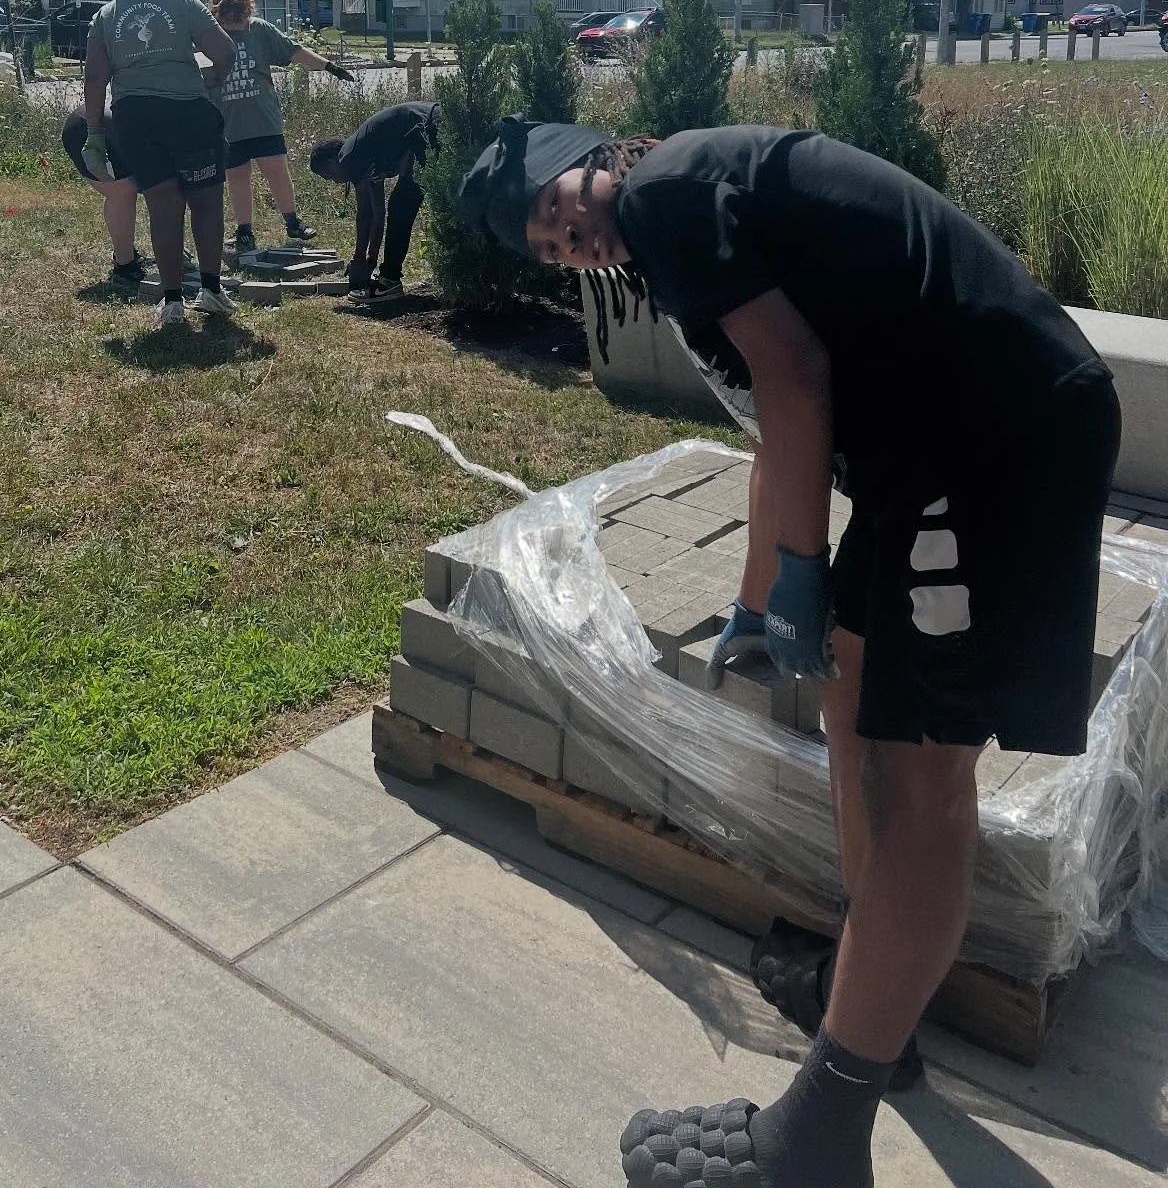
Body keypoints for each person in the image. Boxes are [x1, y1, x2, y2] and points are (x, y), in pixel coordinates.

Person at [459, 118, 1120, 1188]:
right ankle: (872, 1003)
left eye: (555, 202)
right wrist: (760, 600)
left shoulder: (670, 194)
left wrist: (803, 569)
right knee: (856, 687)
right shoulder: (684, 206)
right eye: (544, 245)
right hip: (934, 443)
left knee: (921, 781)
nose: (566, 234)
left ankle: (818, 1135)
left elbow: (801, 380)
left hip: (998, 441)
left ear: (595, 158)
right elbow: (777, 417)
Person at [82, 0, 237, 329]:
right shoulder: (183, 2)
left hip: (134, 117)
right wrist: (212, 79)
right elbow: (224, 53)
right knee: (205, 201)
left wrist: (96, 135)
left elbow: (95, 78)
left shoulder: (106, 15)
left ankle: (172, 302)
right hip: (187, 112)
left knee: (163, 206)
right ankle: (210, 290)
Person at [206, 0, 354, 254]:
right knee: (237, 176)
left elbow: (294, 51)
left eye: (241, 18)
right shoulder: (210, 37)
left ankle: (293, 222)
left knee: (277, 170)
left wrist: (330, 67)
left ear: (247, 11)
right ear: (219, 14)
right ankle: (245, 231)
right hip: (228, 123)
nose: (237, 24)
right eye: (231, 20)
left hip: (264, 119)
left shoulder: (259, 29)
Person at [309, 101, 438, 300]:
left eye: (328, 175)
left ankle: (389, 282)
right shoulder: (362, 151)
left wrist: (365, 260)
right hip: (429, 123)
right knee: (403, 201)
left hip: (428, 126)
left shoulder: (350, 158)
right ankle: (389, 278)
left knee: (401, 205)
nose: (333, 181)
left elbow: (374, 214)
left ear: (333, 160)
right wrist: (363, 258)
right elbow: (367, 212)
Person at [61, 104, 153, 294]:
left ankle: (128, 258)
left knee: (132, 192)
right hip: (90, 127)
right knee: (122, 193)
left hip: (98, 121)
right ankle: (125, 267)